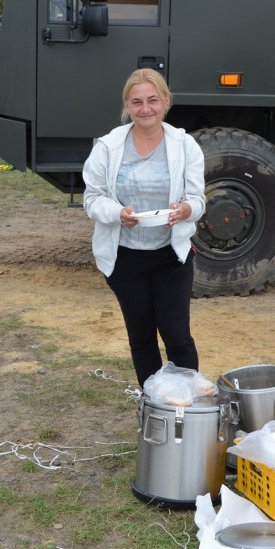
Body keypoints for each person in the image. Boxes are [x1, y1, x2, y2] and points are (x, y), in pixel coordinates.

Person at [82, 69, 206, 388]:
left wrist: (185, 210)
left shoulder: (184, 145)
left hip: (171, 256)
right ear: (127, 104)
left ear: (166, 101)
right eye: (137, 101)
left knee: (177, 337)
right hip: (124, 259)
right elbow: (92, 199)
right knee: (141, 338)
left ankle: (187, 408)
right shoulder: (108, 147)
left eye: (153, 100)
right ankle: (155, 407)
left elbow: (198, 199)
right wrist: (116, 213)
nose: (145, 108)